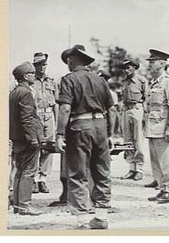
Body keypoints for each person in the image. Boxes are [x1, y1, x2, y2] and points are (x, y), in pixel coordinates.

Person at [55, 44, 115, 229]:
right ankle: (101, 216)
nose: (67, 63)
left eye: (68, 60)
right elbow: (111, 110)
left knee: (78, 172)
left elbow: (65, 108)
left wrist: (59, 134)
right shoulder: (100, 80)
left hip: (80, 127)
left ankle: (82, 220)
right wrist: (110, 134)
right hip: (100, 127)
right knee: (102, 172)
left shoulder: (69, 79)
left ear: (73, 60)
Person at [9, 62, 44, 215]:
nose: (34, 75)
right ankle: (24, 206)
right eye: (31, 73)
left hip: (17, 138)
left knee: (19, 171)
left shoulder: (14, 92)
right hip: (27, 139)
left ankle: (18, 205)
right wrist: (33, 139)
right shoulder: (26, 93)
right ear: (25, 76)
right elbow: (27, 118)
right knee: (29, 171)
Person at [144, 49, 169, 204]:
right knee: (156, 160)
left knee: (167, 160)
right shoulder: (153, 83)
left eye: (153, 61)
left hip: (164, 126)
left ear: (162, 64)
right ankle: (162, 188)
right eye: (150, 61)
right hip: (153, 127)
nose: (150, 64)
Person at [32, 52, 58, 194]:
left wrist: (58, 120)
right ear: (34, 66)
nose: (42, 67)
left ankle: (43, 179)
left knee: (49, 147)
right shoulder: (31, 81)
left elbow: (57, 103)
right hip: (37, 115)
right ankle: (34, 179)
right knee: (36, 146)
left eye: (44, 64)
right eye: (39, 64)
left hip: (49, 115)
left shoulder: (51, 81)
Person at [120, 59, 147, 181]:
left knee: (138, 140)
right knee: (128, 140)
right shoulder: (124, 81)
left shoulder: (141, 80)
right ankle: (131, 168)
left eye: (129, 68)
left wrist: (146, 114)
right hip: (126, 110)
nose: (126, 70)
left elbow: (147, 98)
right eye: (125, 68)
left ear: (134, 68)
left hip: (137, 109)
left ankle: (139, 169)